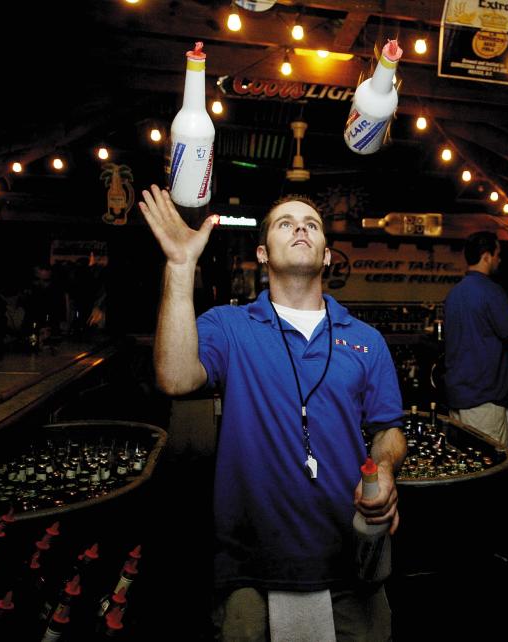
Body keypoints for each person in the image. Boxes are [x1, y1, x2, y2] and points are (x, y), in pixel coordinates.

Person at [138, 186, 406, 641]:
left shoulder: (366, 340)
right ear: (263, 254)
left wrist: (384, 467)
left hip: (350, 561)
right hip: (249, 569)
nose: (301, 228)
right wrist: (181, 267)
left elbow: (388, 429)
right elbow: (175, 377)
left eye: (312, 225)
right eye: (286, 223)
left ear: (325, 256)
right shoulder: (230, 325)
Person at [444, 231, 508, 446]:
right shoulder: (491, 291)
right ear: (487, 256)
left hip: (458, 394)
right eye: (497, 254)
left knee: (464, 463)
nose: (499, 260)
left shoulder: (454, 293)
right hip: (483, 397)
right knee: (490, 466)